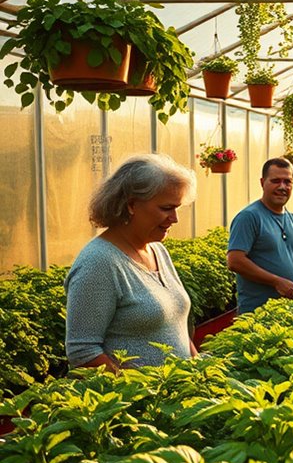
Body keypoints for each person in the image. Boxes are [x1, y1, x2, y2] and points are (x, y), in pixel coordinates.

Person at [65, 154, 198, 371]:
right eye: (166, 208)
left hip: (176, 397)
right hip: (140, 402)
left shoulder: (157, 251)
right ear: (132, 205)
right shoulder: (99, 262)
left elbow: (177, 329)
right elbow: (83, 352)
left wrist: (198, 370)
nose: (175, 218)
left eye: (177, 208)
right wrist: (139, 392)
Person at [227, 158, 293, 314]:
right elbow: (235, 261)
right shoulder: (249, 217)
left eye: (287, 182)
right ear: (262, 182)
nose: (282, 187)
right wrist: (276, 282)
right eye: (275, 181)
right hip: (258, 313)